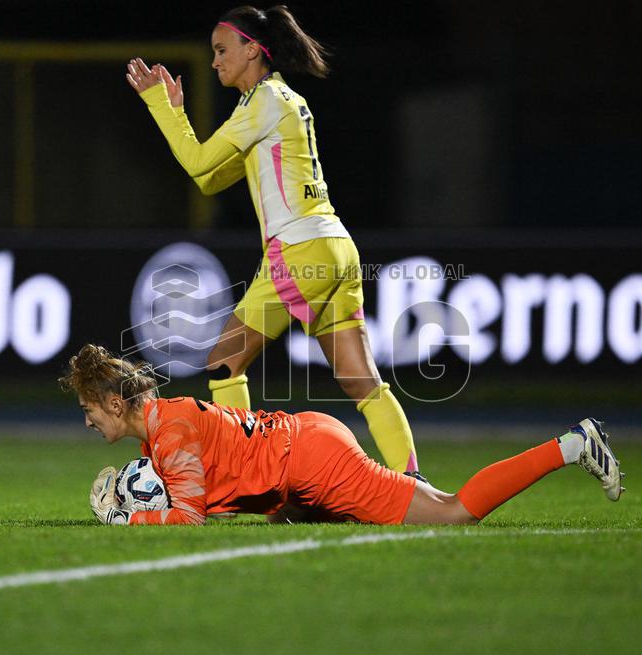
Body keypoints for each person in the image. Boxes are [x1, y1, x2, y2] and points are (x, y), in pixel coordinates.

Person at [124, 5, 424, 480]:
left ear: (252, 49)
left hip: (300, 250)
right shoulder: (276, 101)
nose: (216, 61)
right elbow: (210, 180)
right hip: (335, 247)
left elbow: (198, 163)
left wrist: (160, 105)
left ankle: (245, 479)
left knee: (224, 362)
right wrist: (179, 114)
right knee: (361, 380)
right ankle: (413, 481)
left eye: (223, 51)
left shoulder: (264, 102)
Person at [59, 345, 625, 526]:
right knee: (282, 527)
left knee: (451, 514)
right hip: (297, 458)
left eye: (90, 408)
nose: (87, 420)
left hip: (310, 461)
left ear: (115, 402)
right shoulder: (160, 428)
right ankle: (402, 489)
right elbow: (218, 498)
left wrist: (125, 516)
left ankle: (573, 445)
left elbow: (190, 516)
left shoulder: (170, 430)